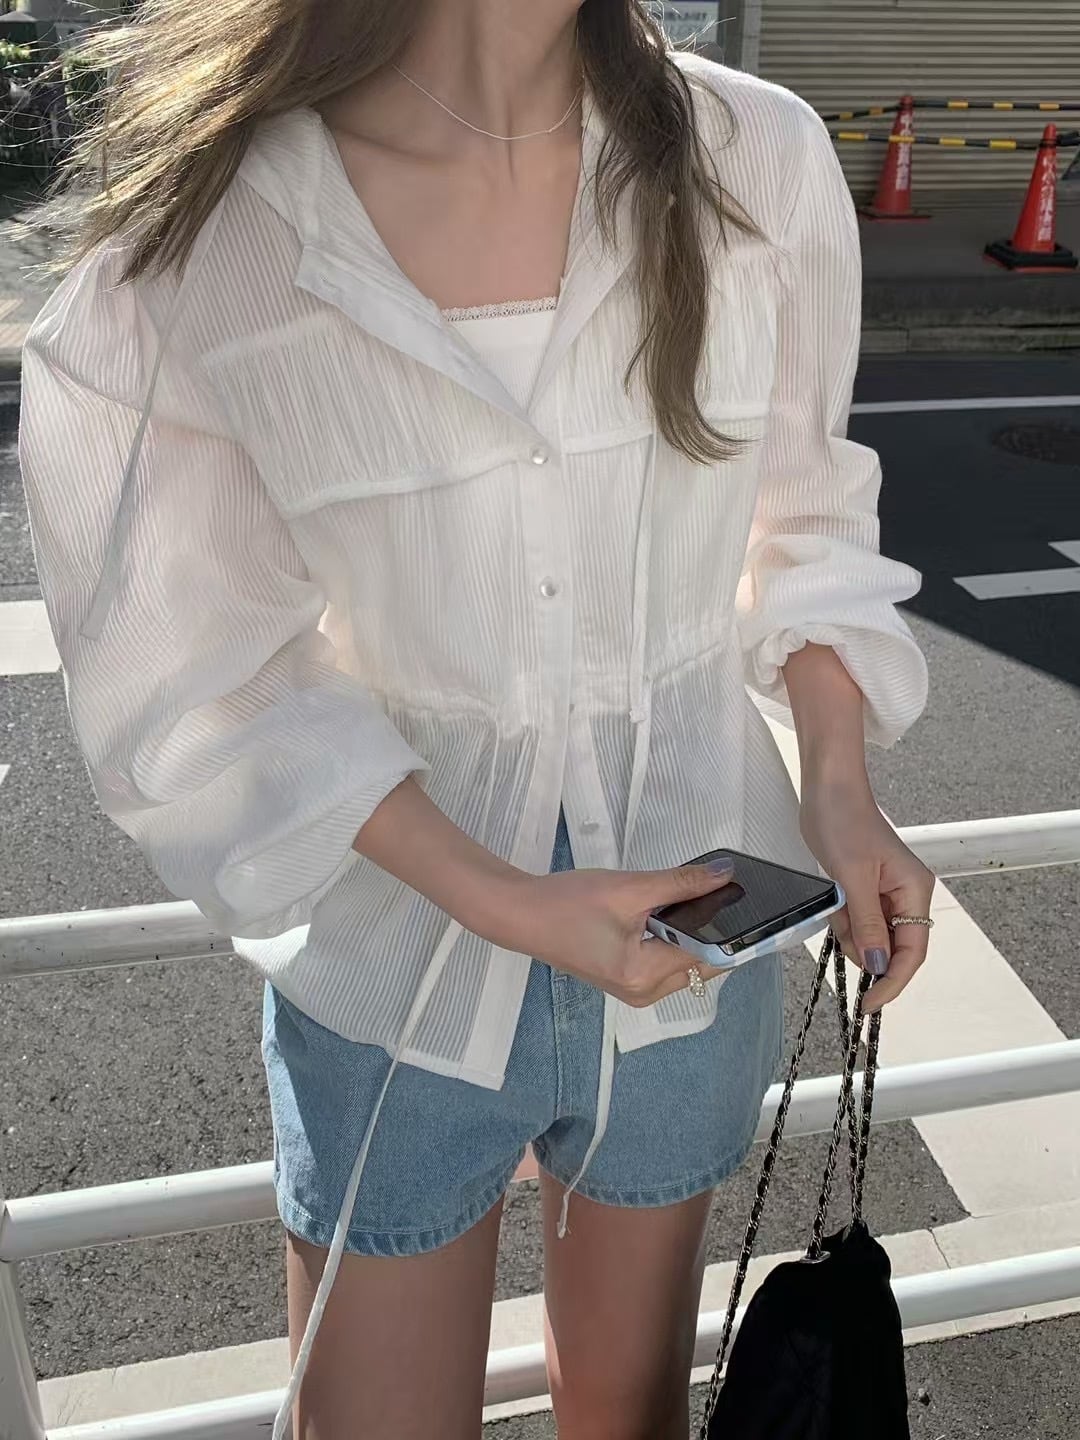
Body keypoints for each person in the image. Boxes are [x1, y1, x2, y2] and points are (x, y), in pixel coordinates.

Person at [18, 2, 935, 1436]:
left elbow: (805, 514)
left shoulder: (753, 154)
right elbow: (203, 666)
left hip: (697, 947)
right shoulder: (213, 227)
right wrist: (504, 897)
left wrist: (838, 786)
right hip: (399, 972)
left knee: (630, 1420)